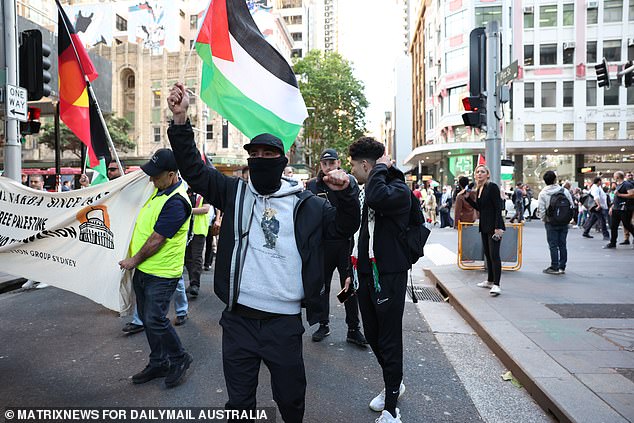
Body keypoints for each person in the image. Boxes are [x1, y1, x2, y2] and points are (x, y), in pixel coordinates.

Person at [166, 82, 360, 422]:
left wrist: (346, 193)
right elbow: (194, 171)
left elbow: (345, 227)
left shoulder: (308, 205)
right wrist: (180, 120)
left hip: (283, 325)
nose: (259, 160)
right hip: (238, 320)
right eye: (253, 155)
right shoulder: (234, 193)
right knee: (239, 405)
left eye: (267, 156)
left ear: (282, 161)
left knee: (290, 402)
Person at [348, 137, 411, 423]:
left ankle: (392, 409)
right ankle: (392, 384)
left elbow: (377, 198)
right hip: (364, 273)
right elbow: (359, 231)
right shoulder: (365, 190)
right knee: (372, 335)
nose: (352, 171)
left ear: (366, 165)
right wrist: (352, 272)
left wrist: (380, 169)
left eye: (354, 166)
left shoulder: (396, 188)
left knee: (388, 339)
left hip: (388, 274)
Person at [118, 148, 193, 389]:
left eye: (156, 175)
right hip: (146, 270)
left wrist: (133, 260)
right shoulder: (158, 191)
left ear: (171, 175)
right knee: (149, 321)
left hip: (161, 273)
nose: (151, 179)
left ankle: (180, 358)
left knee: (154, 318)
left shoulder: (178, 202)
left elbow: (157, 239)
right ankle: (159, 362)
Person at [306, 148, 367, 347]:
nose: (328, 167)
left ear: (338, 163)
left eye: (332, 163)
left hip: (345, 243)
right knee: (322, 287)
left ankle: (353, 328)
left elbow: (355, 211)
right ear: (320, 165)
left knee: (349, 286)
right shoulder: (312, 185)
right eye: (325, 163)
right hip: (322, 244)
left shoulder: (349, 182)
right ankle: (323, 324)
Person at [466, 165, 505, 296]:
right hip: (484, 226)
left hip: (494, 226)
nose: (479, 174)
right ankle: (490, 280)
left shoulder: (492, 187)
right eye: (477, 172)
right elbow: (480, 208)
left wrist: (498, 227)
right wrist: (467, 198)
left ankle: (497, 284)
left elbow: (498, 207)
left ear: (487, 174)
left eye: (482, 172)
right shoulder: (479, 189)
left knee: (495, 255)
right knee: (488, 255)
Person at [538, 170, 574, 275]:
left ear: (545, 181)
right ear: (555, 179)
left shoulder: (543, 193)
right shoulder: (564, 191)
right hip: (563, 222)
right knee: (562, 244)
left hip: (551, 222)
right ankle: (562, 266)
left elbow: (542, 210)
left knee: (553, 245)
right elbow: (571, 205)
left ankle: (554, 266)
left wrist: (544, 219)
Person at [185, 189, 211, 297]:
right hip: (186, 230)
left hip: (198, 230)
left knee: (196, 257)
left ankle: (195, 284)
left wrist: (188, 210)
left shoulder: (203, 193)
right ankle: (192, 281)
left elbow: (206, 209)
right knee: (187, 258)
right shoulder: (185, 191)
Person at [604, 171, 634, 249]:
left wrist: (620, 194)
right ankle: (612, 242)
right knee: (613, 226)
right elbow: (616, 198)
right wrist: (612, 207)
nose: (614, 177)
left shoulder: (627, 184)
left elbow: (632, 195)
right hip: (616, 209)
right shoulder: (618, 185)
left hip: (624, 209)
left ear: (617, 177)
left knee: (627, 225)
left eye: (614, 176)